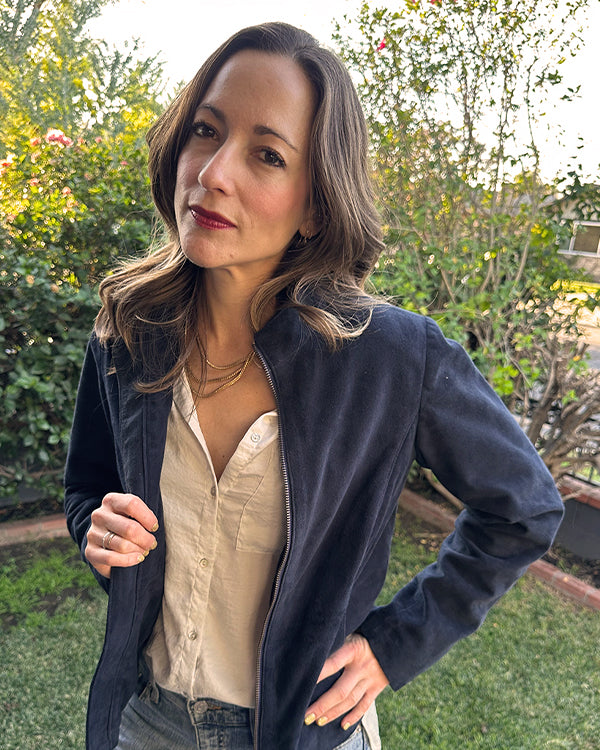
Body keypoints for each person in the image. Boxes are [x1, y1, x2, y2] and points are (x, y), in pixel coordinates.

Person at [64, 21, 564, 750]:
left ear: (316, 204)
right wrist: (96, 530)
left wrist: (396, 644)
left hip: (302, 731)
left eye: (267, 154)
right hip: (145, 720)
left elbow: (524, 510)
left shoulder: (391, 358)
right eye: (206, 131)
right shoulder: (129, 332)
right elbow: (87, 487)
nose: (214, 173)